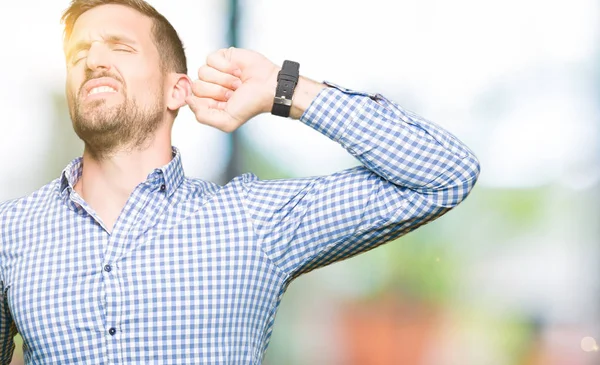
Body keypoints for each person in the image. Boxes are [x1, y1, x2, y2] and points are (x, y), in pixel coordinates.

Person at [0, 0, 480, 363]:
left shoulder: (253, 219)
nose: (94, 60)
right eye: (80, 52)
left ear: (177, 90)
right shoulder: (10, 231)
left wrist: (282, 87)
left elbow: (443, 174)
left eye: (120, 47)